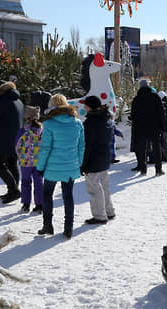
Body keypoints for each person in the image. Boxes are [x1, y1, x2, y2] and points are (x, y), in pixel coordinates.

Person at [35, 94, 84, 238]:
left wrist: (40, 167)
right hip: (70, 166)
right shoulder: (77, 123)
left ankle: (47, 225)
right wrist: (78, 164)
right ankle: (68, 227)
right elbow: (81, 146)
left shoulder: (49, 124)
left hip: (52, 168)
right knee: (68, 196)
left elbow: (45, 148)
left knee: (47, 194)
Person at [81, 95, 116, 225]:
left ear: (90, 106)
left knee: (94, 189)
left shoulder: (91, 122)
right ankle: (109, 211)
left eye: (86, 105)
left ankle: (100, 216)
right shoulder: (105, 118)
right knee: (104, 186)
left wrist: (83, 164)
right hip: (104, 157)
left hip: (94, 159)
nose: (84, 107)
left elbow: (88, 145)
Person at [130, 79, 165, 176]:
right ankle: (158, 170)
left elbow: (133, 115)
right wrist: (162, 126)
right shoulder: (155, 97)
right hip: (154, 127)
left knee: (142, 149)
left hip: (141, 128)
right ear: (148, 86)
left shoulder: (136, 99)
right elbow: (161, 113)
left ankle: (143, 169)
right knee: (156, 148)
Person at [15, 106, 43, 214]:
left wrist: (20, 156)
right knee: (39, 182)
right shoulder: (42, 131)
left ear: (26, 117)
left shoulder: (23, 131)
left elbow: (17, 146)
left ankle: (26, 204)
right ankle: (39, 204)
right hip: (39, 162)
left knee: (25, 182)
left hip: (25, 162)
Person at [156, 91, 167, 162]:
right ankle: (165, 156)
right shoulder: (166, 104)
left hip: (164, 127)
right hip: (166, 126)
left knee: (163, 142)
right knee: (163, 141)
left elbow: (162, 117)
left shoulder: (163, 105)